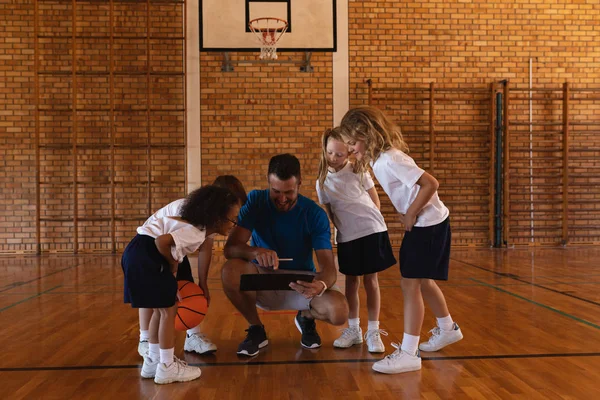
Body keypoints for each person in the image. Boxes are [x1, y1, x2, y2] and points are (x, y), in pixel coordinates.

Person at [340, 106, 463, 374]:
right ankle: (446, 329)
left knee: (410, 285)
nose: (350, 149)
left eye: (352, 143)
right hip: (427, 224)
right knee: (422, 280)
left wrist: (410, 213)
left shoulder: (391, 159)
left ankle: (409, 353)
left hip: (427, 225)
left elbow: (431, 183)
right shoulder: (377, 159)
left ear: (368, 135)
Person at [222, 153, 349, 356]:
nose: (282, 199)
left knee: (340, 312)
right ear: (268, 182)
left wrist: (321, 285)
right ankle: (256, 329)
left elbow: (329, 268)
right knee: (230, 270)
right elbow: (230, 249)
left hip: (301, 284)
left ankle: (306, 318)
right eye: (276, 191)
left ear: (299, 183)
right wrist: (255, 251)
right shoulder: (255, 201)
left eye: (289, 192)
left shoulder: (314, 214)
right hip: (263, 278)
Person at [122, 185, 240, 384]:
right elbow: (161, 242)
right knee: (169, 311)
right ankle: (167, 366)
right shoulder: (196, 232)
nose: (234, 225)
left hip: (135, 252)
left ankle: (153, 360)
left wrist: (171, 272)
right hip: (149, 254)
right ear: (217, 218)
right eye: (232, 220)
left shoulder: (191, 222)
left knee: (160, 310)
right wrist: (171, 263)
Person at [136, 176, 247, 358]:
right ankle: (145, 339)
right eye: (233, 214)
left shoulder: (209, 221)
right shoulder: (189, 210)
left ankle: (192, 336)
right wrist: (171, 266)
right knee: (152, 293)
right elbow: (162, 241)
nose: (235, 218)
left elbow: (205, 249)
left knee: (187, 286)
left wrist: (203, 283)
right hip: (151, 246)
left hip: (170, 246)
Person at [315, 128, 396, 353]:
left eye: (339, 155)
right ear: (325, 149)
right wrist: (342, 231)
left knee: (371, 281)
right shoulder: (321, 182)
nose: (333, 158)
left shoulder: (358, 170)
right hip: (347, 237)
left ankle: (373, 331)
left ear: (349, 153)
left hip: (371, 231)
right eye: (330, 153)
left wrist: (371, 225)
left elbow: (375, 201)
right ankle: (354, 330)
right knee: (351, 283)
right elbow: (330, 212)